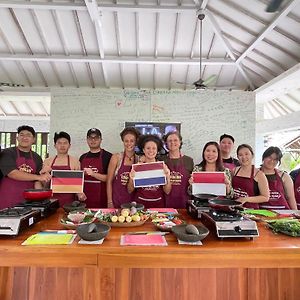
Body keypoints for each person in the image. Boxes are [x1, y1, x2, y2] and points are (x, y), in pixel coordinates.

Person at [0, 125, 51, 209]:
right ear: (17, 138)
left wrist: (41, 200)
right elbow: (12, 173)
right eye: (22, 135)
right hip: (8, 196)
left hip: (28, 201)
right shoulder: (8, 153)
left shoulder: (37, 157)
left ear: (34, 140)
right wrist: (39, 177)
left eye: (28, 135)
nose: (24, 137)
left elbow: (37, 181)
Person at [41, 132, 86, 207]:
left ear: (69, 145)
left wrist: (80, 193)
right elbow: (44, 186)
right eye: (59, 143)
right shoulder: (48, 161)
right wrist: (45, 177)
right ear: (55, 145)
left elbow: (78, 184)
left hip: (69, 201)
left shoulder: (75, 161)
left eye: (65, 143)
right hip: (51, 200)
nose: (62, 145)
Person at [128, 134, 171, 208]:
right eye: (148, 148)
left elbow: (167, 191)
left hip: (158, 206)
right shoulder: (137, 167)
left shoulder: (162, 167)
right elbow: (130, 190)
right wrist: (131, 179)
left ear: (157, 150)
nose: (151, 150)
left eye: (154, 148)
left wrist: (168, 177)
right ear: (144, 150)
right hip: (140, 206)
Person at [107, 127, 140, 208]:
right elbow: (109, 181)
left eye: (132, 141)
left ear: (136, 142)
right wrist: (110, 202)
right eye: (126, 141)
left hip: (133, 204)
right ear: (123, 141)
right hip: (117, 202)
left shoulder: (139, 160)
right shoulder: (116, 158)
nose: (129, 143)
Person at [79, 128, 112, 208]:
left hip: (102, 200)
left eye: (96, 138)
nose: (93, 140)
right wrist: (79, 192)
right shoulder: (82, 157)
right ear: (87, 140)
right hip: (85, 199)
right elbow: (78, 179)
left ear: (101, 139)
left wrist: (93, 174)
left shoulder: (108, 156)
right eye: (90, 138)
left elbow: (110, 178)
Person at [162, 131, 194, 208]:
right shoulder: (161, 160)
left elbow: (193, 184)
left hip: (184, 202)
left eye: (175, 140)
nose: (172, 142)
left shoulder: (189, 160)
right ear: (166, 144)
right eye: (169, 141)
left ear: (180, 142)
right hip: (166, 202)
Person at [232, 144, 269, 209]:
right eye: (240, 155)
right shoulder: (234, 170)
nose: (243, 157)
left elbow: (265, 197)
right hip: (234, 208)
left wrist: (246, 199)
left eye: (246, 154)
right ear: (237, 157)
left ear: (252, 155)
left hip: (251, 211)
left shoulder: (259, 174)